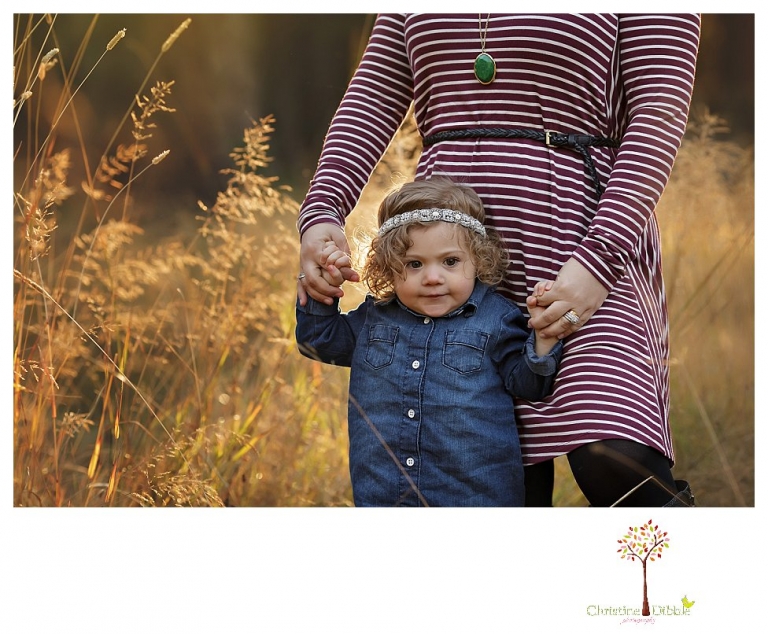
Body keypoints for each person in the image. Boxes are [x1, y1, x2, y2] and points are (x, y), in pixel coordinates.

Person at [296, 14, 700, 507]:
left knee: (614, 459)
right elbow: (374, 96)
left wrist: (599, 258)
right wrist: (321, 212)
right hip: (447, 249)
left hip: (585, 243)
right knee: (482, 478)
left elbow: (658, 112)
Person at [296, 178, 563, 506]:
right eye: (414, 264)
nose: (433, 277)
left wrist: (544, 337)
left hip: (474, 500)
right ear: (389, 266)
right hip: (385, 494)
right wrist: (319, 287)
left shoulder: (496, 318)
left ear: (477, 259)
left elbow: (528, 384)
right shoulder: (375, 317)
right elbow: (318, 341)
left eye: (450, 262)